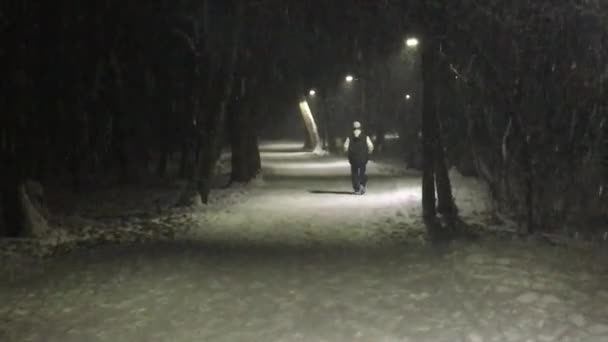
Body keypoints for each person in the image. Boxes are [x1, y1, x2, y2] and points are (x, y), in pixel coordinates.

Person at [343, 121, 374, 195]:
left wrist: (347, 152)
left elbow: (345, 147)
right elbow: (371, 146)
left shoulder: (349, 137)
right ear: (360, 127)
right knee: (362, 171)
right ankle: (362, 184)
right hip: (363, 157)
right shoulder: (365, 136)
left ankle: (356, 189)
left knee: (354, 173)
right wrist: (369, 152)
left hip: (353, 158)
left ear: (353, 128)